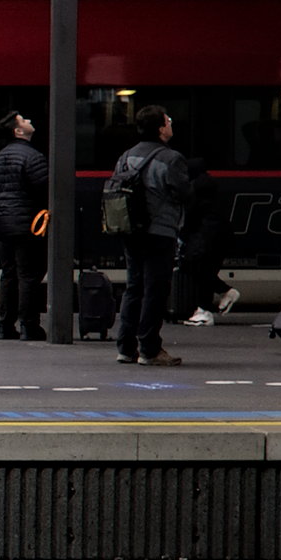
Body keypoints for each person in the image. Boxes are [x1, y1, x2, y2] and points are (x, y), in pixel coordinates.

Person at [110, 104, 192, 367]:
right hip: (159, 231)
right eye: (168, 121)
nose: (171, 124)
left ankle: (125, 347)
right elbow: (183, 192)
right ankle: (150, 349)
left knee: (134, 287)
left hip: (130, 230)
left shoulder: (126, 156)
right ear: (160, 128)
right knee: (156, 289)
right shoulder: (171, 158)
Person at [0, 111, 49, 341]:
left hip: (3, 223)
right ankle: (29, 325)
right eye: (24, 120)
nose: (30, 120)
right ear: (18, 131)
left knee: (9, 274)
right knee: (29, 275)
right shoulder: (32, 156)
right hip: (28, 223)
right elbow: (45, 187)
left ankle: (5, 325)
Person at [174, 153, 236, 326]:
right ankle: (211, 302)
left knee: (197, 269)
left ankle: (206, 309)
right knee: (205, 271)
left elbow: (190, 216)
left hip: (206, 237)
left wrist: (183, 236)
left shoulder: (196, 188)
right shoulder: (208, 185)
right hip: (217, 236)